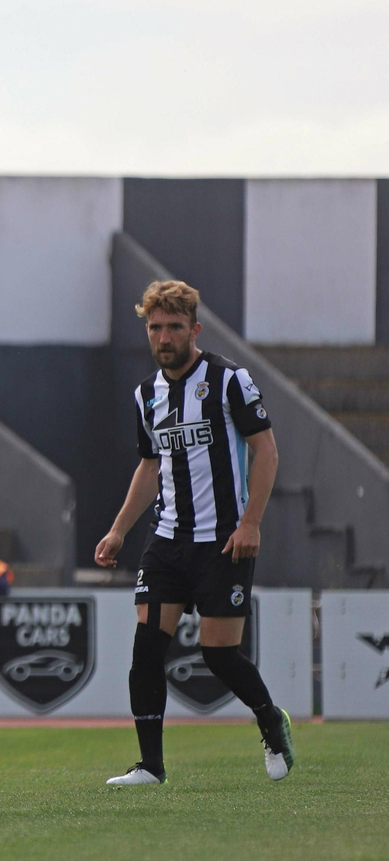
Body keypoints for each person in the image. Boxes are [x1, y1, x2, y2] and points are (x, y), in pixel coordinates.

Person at [95, 279, 293, 786]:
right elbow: (149, 467)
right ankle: (151, 767)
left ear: (194, 329)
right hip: (167, 541)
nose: (164, 337)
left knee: (219, 655)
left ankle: (271, 720)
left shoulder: (229, 380)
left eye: (174, 327)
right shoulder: (146, 394)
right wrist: (118, 530)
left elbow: (265, 451)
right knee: (146, 652)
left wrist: (251, 522)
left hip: (225, 541)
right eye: (156, 327)